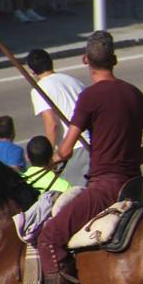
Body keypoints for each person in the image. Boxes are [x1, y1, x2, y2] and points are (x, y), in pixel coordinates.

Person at [16, 31, 143, 284]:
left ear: (86, 60)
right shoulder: (133, 93)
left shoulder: (90, 97)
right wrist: (131, 159)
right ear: (114, 59)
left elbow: (67, 148)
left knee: (49, 237)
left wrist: (54, 159)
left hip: (104, 187)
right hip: (132, 184)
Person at [27, 47, 90, 187]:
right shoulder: (73, 80)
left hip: (75, 147)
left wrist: (48, 158)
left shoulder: (40, 88)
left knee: (72, 198)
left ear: (32, 71)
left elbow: (52, 125)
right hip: (95, 142)